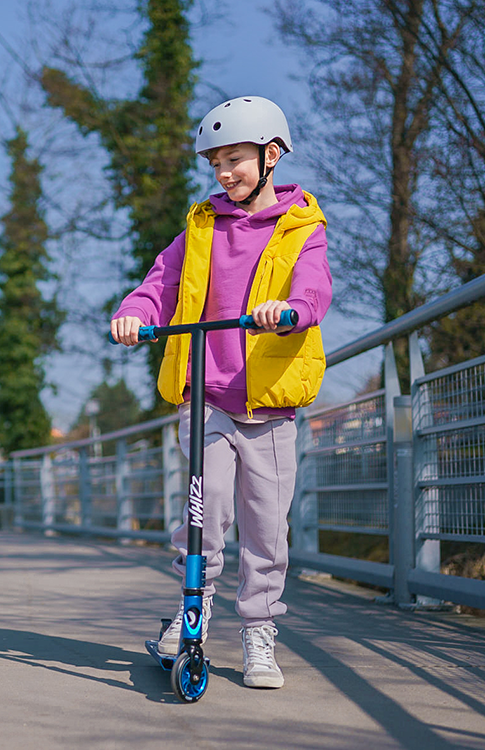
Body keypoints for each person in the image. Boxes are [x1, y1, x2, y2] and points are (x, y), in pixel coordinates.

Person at [110, 96, 330, 689]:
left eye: (235, 159)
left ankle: (259, 633)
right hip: (205, 398)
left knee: (266, 527)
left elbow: (314, 290)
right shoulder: (201, 226)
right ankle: (192, 615)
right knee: (204, 519)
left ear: (272, 155)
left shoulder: (301, 228)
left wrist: (290, 311)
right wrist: (134, 312)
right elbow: (160, 282)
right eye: (216, 164)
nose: (224, 173)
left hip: (270, 406)